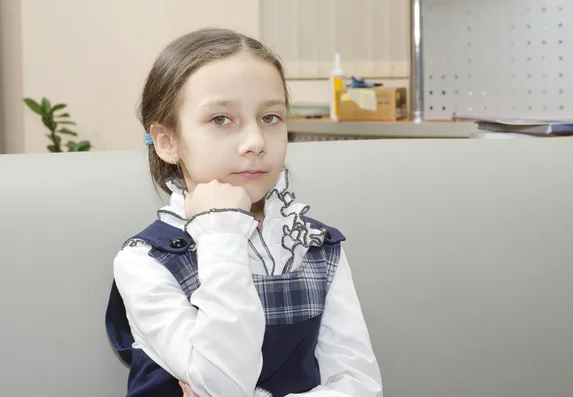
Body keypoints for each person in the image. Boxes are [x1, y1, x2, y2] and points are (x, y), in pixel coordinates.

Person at [105, 28, 382, 397]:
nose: (255, 143)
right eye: (221, 119)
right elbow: (224, 382)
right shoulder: (145, 261)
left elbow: (361, 385)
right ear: (167, 141)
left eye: (270, 117)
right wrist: (221, 233)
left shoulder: (315, 245)